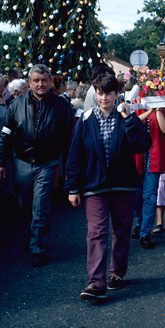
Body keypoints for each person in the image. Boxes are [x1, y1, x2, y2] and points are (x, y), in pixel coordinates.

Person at [65, 74, 152, 301]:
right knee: (96, 232)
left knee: (121, 231)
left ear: (117, 94)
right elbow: (75, 156)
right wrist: (73, 188)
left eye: (109, 93)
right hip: (94, 185)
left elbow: (143, 144)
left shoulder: (126, 117)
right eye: (100, 93)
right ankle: (96, 282)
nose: (104, 98)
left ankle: (117, 273)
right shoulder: (85, 119)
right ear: (95, 93)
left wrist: (129, 117)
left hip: (124, 185)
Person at [0, 64, 75, 267]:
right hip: (22, 162)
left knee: (40, 205)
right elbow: (5, 135)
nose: (40, 84)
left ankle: (38, 248)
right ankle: (30, 236)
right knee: (25, 204)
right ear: (30, 82)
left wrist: (70, 170)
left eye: (44, 80)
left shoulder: (62, 106)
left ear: (50, 81)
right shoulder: (15, 105)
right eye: (36, 80)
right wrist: (1, 162)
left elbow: (70, 141)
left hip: (47, 163)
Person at [133, 107, 165, 249]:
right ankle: (139, 223)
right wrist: (149, 111)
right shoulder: (134, 106)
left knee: (150, 195)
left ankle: (145, 233)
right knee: (136, 195)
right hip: (135, 157)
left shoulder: (163, 109)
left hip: (154, 156)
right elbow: (131, 123)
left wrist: (157, 111)